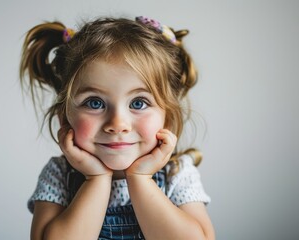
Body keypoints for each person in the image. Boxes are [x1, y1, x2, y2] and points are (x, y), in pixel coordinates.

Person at [20, 16, 215, 240]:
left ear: (167, 119)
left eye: (138, 103)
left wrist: (141, 179)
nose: (117, 124)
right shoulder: (59, 175)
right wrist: (96, 178)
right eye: (95, 103)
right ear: (64, 118)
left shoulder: (177, 173)